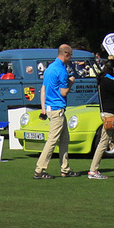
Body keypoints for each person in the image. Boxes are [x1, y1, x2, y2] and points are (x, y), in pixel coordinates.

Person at [33, 44, 75, 179]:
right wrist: (71, 82)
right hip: (57, 109)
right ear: (66, 54)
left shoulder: (49, 68)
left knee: (64, 139)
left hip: (51, 108)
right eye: (71, 55)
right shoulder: (62, 70)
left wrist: (43, 109)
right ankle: (39, 170)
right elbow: (63, 92)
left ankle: (65, 169)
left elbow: (43, 89)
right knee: (52, 140)